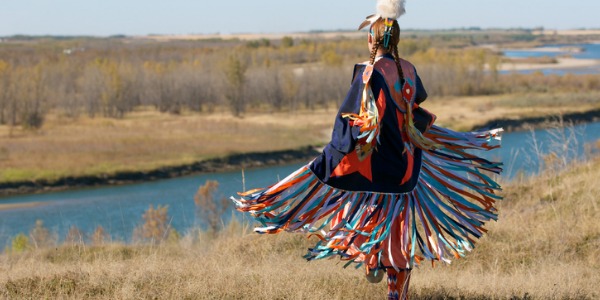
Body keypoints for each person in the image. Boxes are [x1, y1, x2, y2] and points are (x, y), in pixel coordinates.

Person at [232, 1, 503, 299]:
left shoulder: (368, 74)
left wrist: (329, 158)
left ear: (371, 39)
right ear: (396, 39)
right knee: (396, 225)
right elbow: (414, 109)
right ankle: (395, 288)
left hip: (374, 167)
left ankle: (372, 259)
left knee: (361, 212)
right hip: (405, 169)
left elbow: (349, 123)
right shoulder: (409, 70)